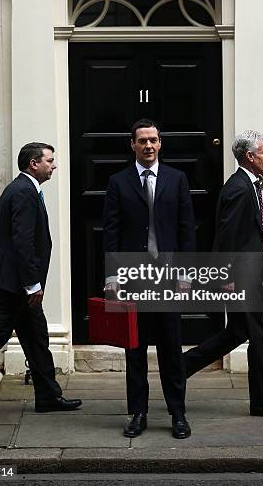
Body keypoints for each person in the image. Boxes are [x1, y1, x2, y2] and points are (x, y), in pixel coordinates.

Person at [0, 143, 82, 426]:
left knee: (37, 337)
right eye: (50, 160)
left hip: (16, 283)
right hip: (14, 285)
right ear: (34, 164)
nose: (54, 165)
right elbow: (23, 242)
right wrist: (32, 284)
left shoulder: (25, 189)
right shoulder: (23, 191)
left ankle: (47, 396)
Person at [183, 130, 263, 418]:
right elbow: (227, 238)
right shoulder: (238, 189)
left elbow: (248, 234)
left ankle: (180, 367)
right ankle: (261, 401)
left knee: (236, 333)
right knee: (260, 337)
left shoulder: (248, 185)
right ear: (250, 156)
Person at [103, 119, 195, 438]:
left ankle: (178, 414)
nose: (148, 146)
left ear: (160, 143)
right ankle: (139, 413)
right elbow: (111, 232)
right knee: (135, 350)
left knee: (171, 348)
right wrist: (113, 276)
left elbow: (186, 229)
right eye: (142, 141)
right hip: (133, 278)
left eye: (153, 140)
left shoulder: (177, 179)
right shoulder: (118, 182)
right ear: (132, 145)